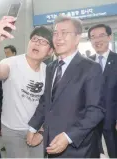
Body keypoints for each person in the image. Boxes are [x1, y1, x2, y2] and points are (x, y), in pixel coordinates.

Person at [28, 15, 105, 158]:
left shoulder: (90, 68)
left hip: (79, 148)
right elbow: (46, 101)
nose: (58, 37)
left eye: (64, 33)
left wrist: (69, 136)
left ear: (77, 38)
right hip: (52, 143)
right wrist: (33, 126)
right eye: (55, 33)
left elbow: (96, 111)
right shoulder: (51, 67)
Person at [0, 16, 53, 158]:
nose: (37, 43)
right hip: (13, 130)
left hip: (36, 129)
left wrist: (41, 131)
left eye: (43, 42)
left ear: (50, 51)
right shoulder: (11, 63)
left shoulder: (48, 71)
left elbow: (49, 105)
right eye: (34, 39)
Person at [88, 24, 117, 158]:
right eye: (93, 37)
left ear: (110, 37)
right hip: (91, 124)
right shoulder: (86, 64)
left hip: (113, 122)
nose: (97, 40)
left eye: (101, 35)